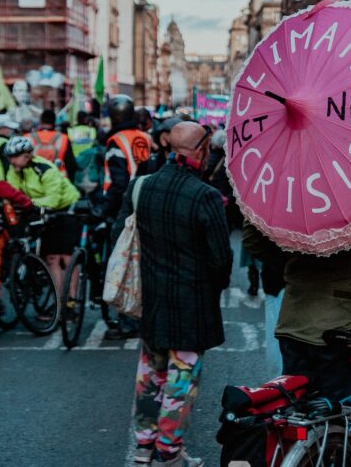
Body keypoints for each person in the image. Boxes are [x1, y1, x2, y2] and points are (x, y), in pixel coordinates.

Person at [114, 121, 232, 467]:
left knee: (150, 376)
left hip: (152, 299)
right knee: (181, 382)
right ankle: (169, 451)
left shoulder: (142, 187)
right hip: (191, 305)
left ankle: (143, 448)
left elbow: (117, 234)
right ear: (200, 151)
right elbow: (221, 260)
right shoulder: (205, 196)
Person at [242, 219, 351, 402]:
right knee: (347, 408)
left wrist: (296, 262)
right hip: (347, 320)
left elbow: (252, 239)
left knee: (299, 404)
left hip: (297, 317)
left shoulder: (290, 192)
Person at [2, 136, 80, 308]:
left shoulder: (45, 169)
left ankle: (72, 300)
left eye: (16, 157)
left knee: (66, 257)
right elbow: (13, 193)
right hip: (38, 209)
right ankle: (59, 302)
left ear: (28, 155)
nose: (12, 161)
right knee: (51, 258)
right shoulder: (14, 169)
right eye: (10, 158)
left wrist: (29, 204)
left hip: (65, 208)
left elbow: (53, 199)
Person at [101, 95, 153, 339]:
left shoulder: (115, 141)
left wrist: (103, 208)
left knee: (122, 261)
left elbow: (119, 181)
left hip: (125, 205)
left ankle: (127, 320)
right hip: (147, 201)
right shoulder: (144, 137)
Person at [28, 109, 78, 180]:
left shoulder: (28, 137)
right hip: (58, 179)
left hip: (34, 180)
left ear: (41, 121)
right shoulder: (63, 138)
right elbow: (71, 165)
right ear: (54, 122)